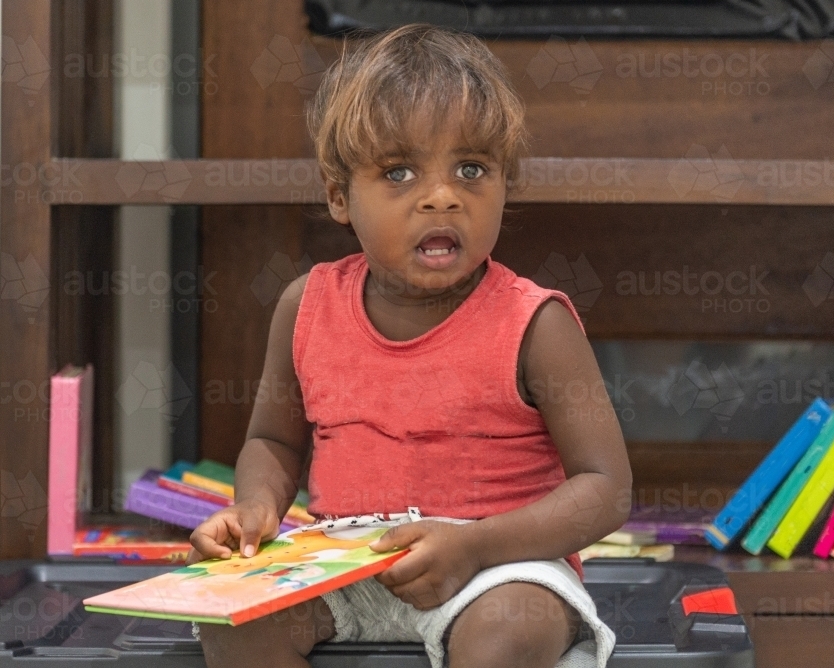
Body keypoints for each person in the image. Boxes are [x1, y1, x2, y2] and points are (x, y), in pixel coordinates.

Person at [186, 23, 632, 668]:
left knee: (507, 631)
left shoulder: (535, 324)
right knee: (233, 627)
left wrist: (475, 547)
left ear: (508, 181)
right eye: (399, 172)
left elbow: (605, 488)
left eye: (472, 168)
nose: (443, 196)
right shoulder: (305, 306)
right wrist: (255, 508)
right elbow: (274, 442)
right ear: (340, 196)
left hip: (498, 570)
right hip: (342, 566)